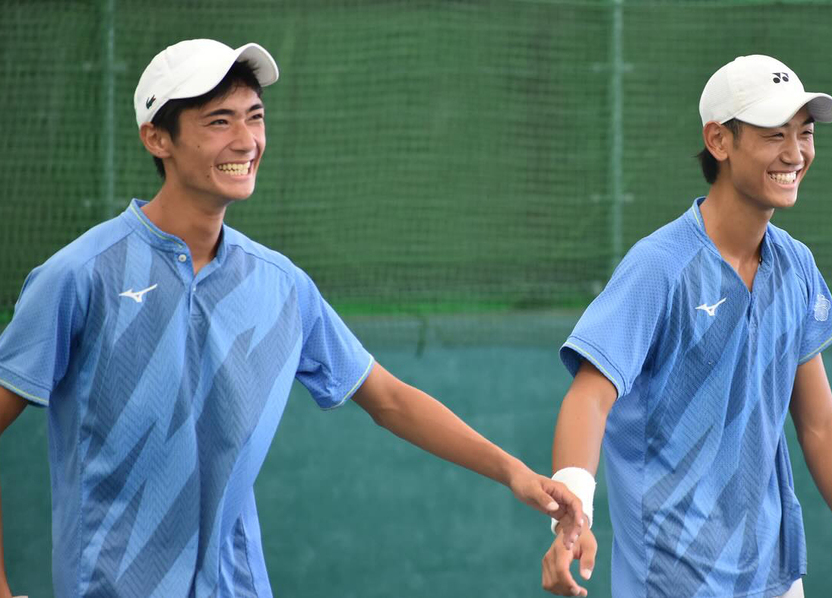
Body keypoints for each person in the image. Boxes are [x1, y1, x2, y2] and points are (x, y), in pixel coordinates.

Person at [0, 39, 584, 597]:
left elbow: (390, 399)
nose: (246, 140)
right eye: (218, 121)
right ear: (158, 138)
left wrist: (516, 474)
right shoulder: (78, 276)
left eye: (254, 117)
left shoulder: (281, 285)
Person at [540, 55, 832, 598]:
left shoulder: (797, 266)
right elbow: (590, 398)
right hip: (670, 582)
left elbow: (820, 425)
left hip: (777, 578)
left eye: (804, 134)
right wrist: (572, 505)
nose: (795, 153)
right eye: (773, 135)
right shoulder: (658, 266)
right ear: (719, 140)